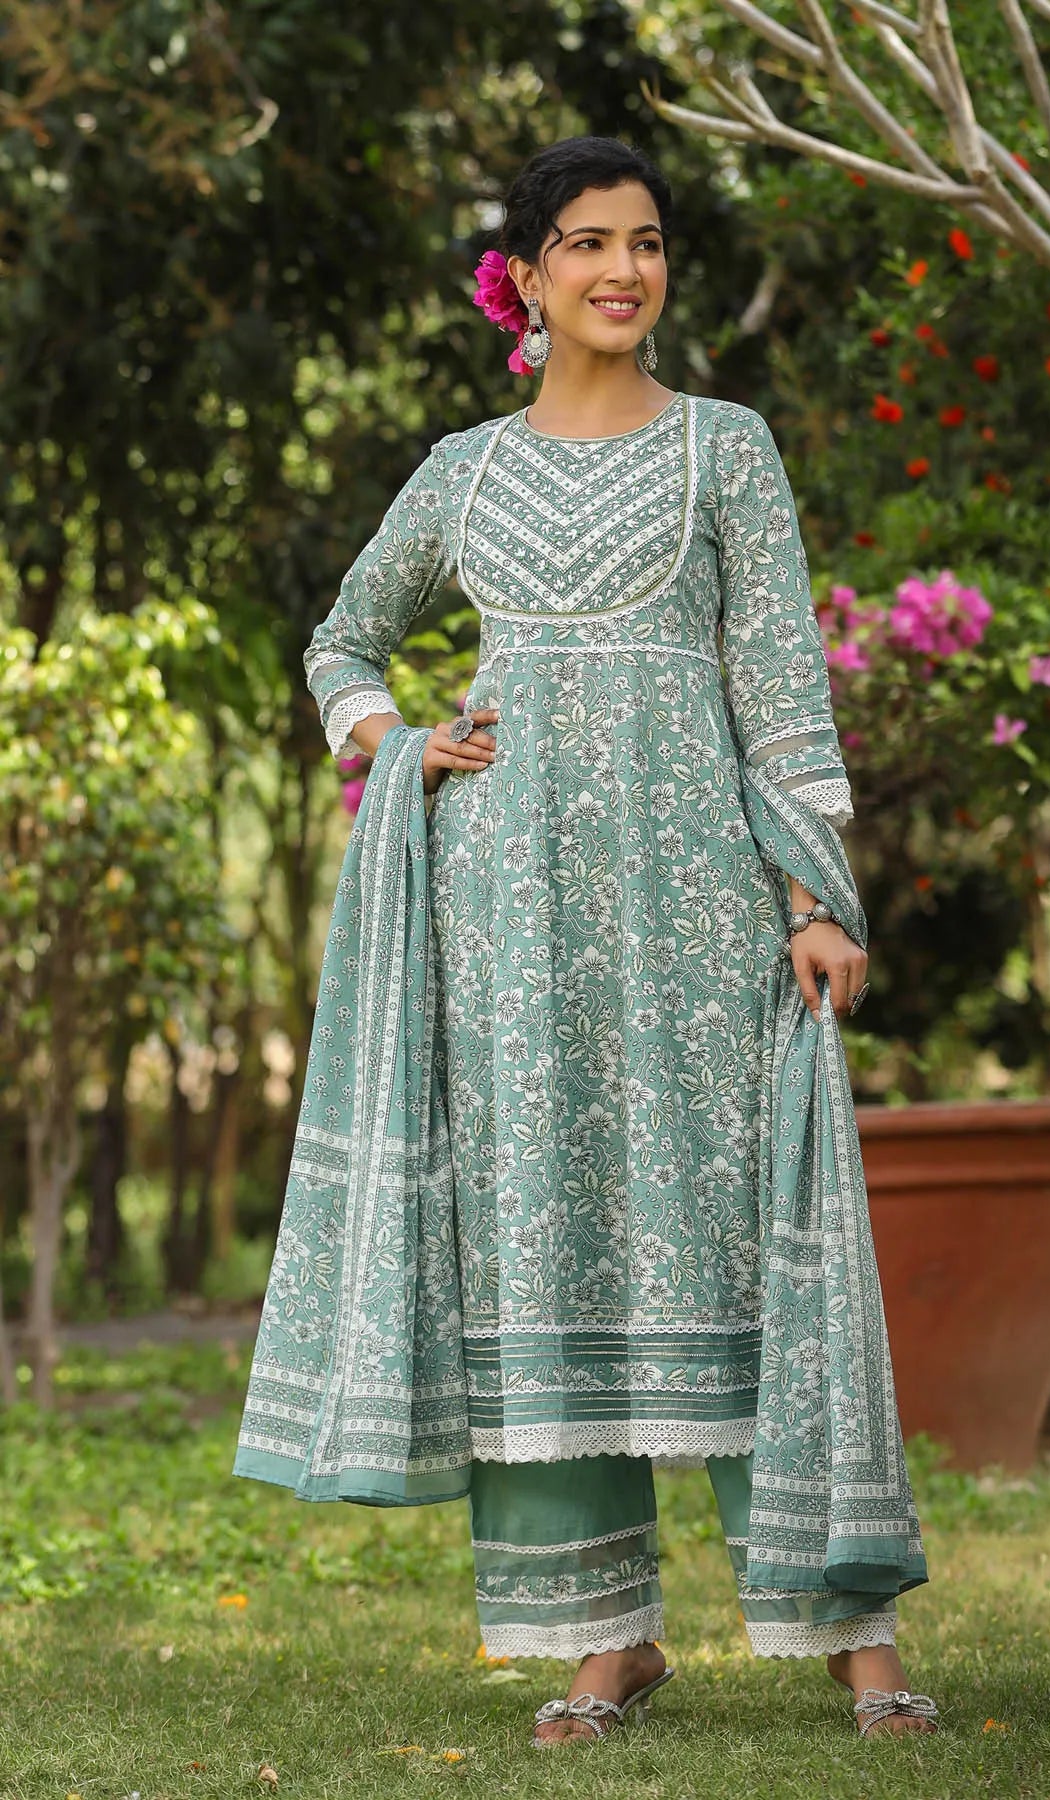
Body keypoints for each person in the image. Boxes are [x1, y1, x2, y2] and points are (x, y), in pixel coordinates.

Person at [233, 134, 939, 1749]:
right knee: (543, 1249)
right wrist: (397, 741)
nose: (623, 269)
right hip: (510, 925)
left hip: (700, 915)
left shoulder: (723, 451)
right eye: (588, 243)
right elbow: (342, 636)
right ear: (529, 277)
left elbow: (779, 682)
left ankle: (852, 1624)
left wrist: (815, 897)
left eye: (645, 242)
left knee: (763, 1244)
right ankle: (605, 1638)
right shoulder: (466, 471)